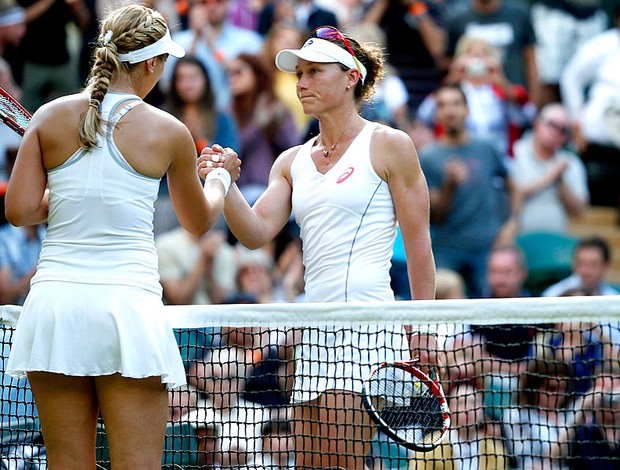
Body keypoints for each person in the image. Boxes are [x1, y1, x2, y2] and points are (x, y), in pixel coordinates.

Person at [3, 4, 241, 468]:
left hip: (56, 310)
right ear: (151, 63)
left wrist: (70, 195)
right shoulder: (169, 130)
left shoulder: (49, 117)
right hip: (127, 311)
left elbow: (20, 210)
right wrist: (220, 179)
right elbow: (198, 222)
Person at [198, 25, 439, 470]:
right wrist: (225, 182)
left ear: (351, 77)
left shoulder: (389, 145)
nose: (302, 83)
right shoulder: (290, 161)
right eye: (299, 74)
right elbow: (253, 232)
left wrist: (424, 324)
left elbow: (419, 242)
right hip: (314, 331)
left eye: (314, 72)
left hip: (369, 326)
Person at [419, 84, 518, 298]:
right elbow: (434, 216)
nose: (450, 111)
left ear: (467, 109)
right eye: (443, 105)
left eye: (456, 104)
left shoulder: (487, 147)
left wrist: (512, 223)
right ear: (437, 114)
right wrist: (449, 185)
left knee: (491, 316)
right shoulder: (428, 157)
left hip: (488, 248)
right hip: (447, 250)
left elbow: (513, 186)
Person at [559, 4, 620, 208]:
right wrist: (576, 121)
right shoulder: (603, 44)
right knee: (599, 194)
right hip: (600, 134)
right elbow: (570, 77)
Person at [510, 102, 589, 235]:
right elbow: (511, 196)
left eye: (563, 130)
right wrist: (551, 175)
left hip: (555, 244)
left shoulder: (571, 163)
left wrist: (561, 180)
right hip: (517, 241)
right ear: (537, 123)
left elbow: (579, 212)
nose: (556, 132)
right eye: (552, 125)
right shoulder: (515, 152)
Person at [542, 236, 619, 297]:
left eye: (593, 265)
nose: (586, 271)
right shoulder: (553, 295)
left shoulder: (615, 299)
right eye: (580, 263)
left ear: (606, 266)